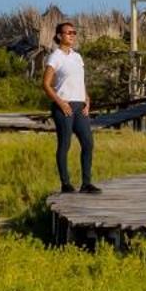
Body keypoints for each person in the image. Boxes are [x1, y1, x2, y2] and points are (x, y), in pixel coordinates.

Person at [43, 21, 99, 193]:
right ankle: (66, 184)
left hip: (80, 105)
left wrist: (87, 99)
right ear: (60, 36)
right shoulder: (55, 57)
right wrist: (60, 103)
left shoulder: (77, 57)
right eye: (69, 33)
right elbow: (46, 84)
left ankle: (86, 183)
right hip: (64, 106)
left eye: (74, 33)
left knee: (88, 143)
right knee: (65, 144)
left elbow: (79, 81)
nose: (72, 35)